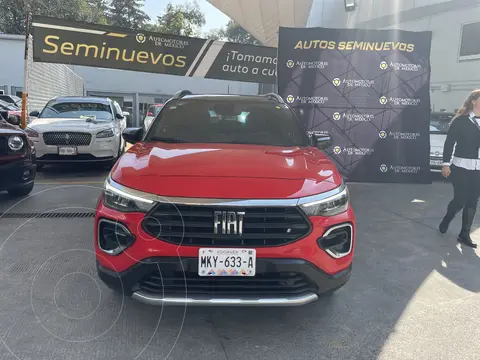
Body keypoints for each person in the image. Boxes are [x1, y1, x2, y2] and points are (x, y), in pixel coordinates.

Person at [439, 89, 480, 248]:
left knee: (473, 201)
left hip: (478, 169)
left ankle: (464, 234)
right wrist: (445, 164)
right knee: (460, 200)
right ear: (473, 101)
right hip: (461, 167)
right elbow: (449, 143)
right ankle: (448, 218)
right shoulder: (460, 121)